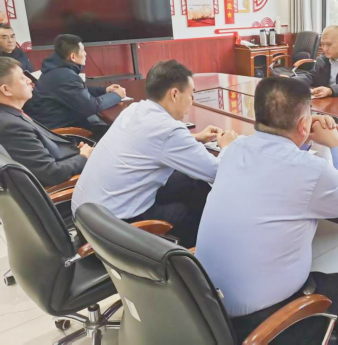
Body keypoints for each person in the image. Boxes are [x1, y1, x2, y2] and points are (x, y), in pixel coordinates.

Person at [196, 77, 338, 345]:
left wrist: (300, 136)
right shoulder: (312, 170)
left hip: (206, 306)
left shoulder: (234, 150)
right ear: (304, 125)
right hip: (258, 323)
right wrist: (336, 144)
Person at [72, 60, 237, 247]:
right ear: (174, 94)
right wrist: (227, 146)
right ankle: (191, 256)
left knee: (189, 181)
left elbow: (151, 142)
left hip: (86, 217)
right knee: (197, 199)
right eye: (191, 94)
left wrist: (195, 138)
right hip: (112, 230)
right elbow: (217, 173)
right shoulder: (169, 131)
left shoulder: (133, 109)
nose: (192, 100)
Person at [0, 57, 91, 187]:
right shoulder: (11, 126)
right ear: (6, 90)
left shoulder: (11, 114)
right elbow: (51, 173)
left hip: (68, 157)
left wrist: (77, 153)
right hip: (73, 184)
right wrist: (83, 157)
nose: (30, 81)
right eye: (22, 78)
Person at [24, 34, 126, 138]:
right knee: (119, 132)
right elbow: (91, 106)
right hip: (63, 133)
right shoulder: (65, 76)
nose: (85, 54)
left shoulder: (55, 71)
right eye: (83, 51)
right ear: (73, 56)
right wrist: (117, 95)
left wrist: (104, 90)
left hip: (55, 125)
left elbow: (77, 91)